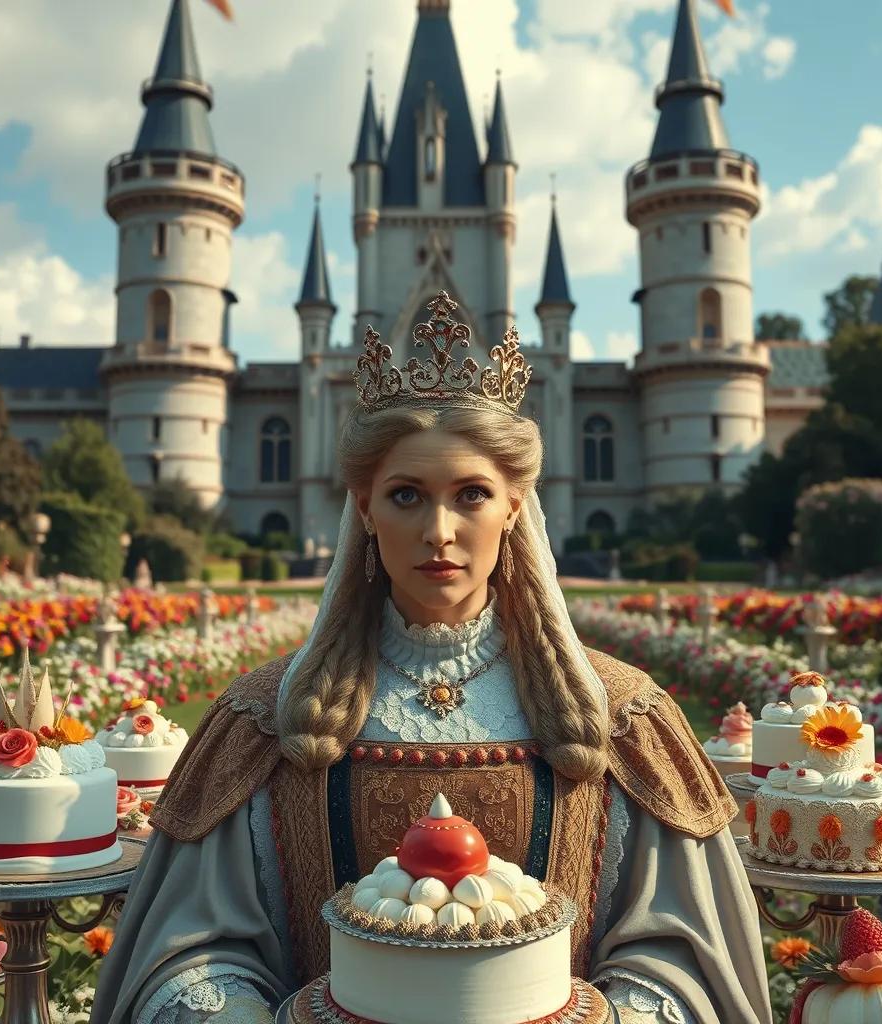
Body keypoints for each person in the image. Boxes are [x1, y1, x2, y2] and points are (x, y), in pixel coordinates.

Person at [90, 293, 772, 1024]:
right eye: (407, 495)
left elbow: (679, 956)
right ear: (365, 507)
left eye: (471, 495)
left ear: (514, 506)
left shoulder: (623, 715)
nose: (439, 531)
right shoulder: (262, 719)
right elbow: (193, 952)